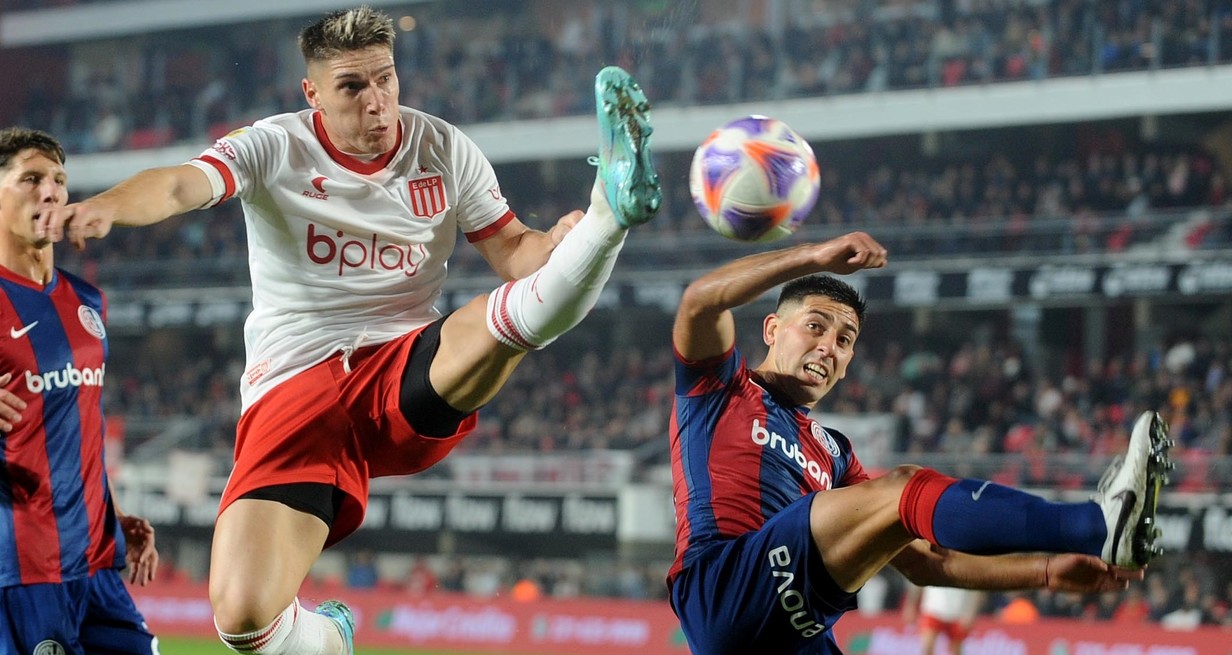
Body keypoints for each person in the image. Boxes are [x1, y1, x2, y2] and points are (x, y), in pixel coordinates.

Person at [37, 7, 661, 654]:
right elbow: (177, 185)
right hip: (292, 386)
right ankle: (332, 635)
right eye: (352, 86)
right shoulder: (273, 145)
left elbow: (517, 256)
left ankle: (608, 211)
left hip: (404, 366)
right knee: (244, 622)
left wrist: (558, 242)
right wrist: (108, 205)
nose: (376, 100)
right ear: (313, 93)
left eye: (385, 78)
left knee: (499, 322)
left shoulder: (443, 148)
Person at [666, 231, 1172, 655]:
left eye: (844, 340)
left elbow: (929, 563)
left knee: (901, 501)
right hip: (721, 587)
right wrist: (815, 255)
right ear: (772, 329)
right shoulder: (720, 388)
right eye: (815, 326)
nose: (827, 346)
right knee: (903, 486)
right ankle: (1095, 524)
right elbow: (700, 300)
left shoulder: (834, 452)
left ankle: (1093, 531)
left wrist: (1044, 571)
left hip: (792, 631)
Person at [0, 127, 159, 654]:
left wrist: (113, 514)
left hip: (97, 559)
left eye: (58, 179)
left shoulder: (86, 299)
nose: (50, 192)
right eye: (30, 179)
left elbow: (78, 426)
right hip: (25, 570)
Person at [903, 585, 984, 655]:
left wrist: (971, 612)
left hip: (959, 612)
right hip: (933, 609)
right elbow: (919, 580)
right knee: (927, 648)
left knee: (956, 650)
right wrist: (911, 605)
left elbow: (977, 587)